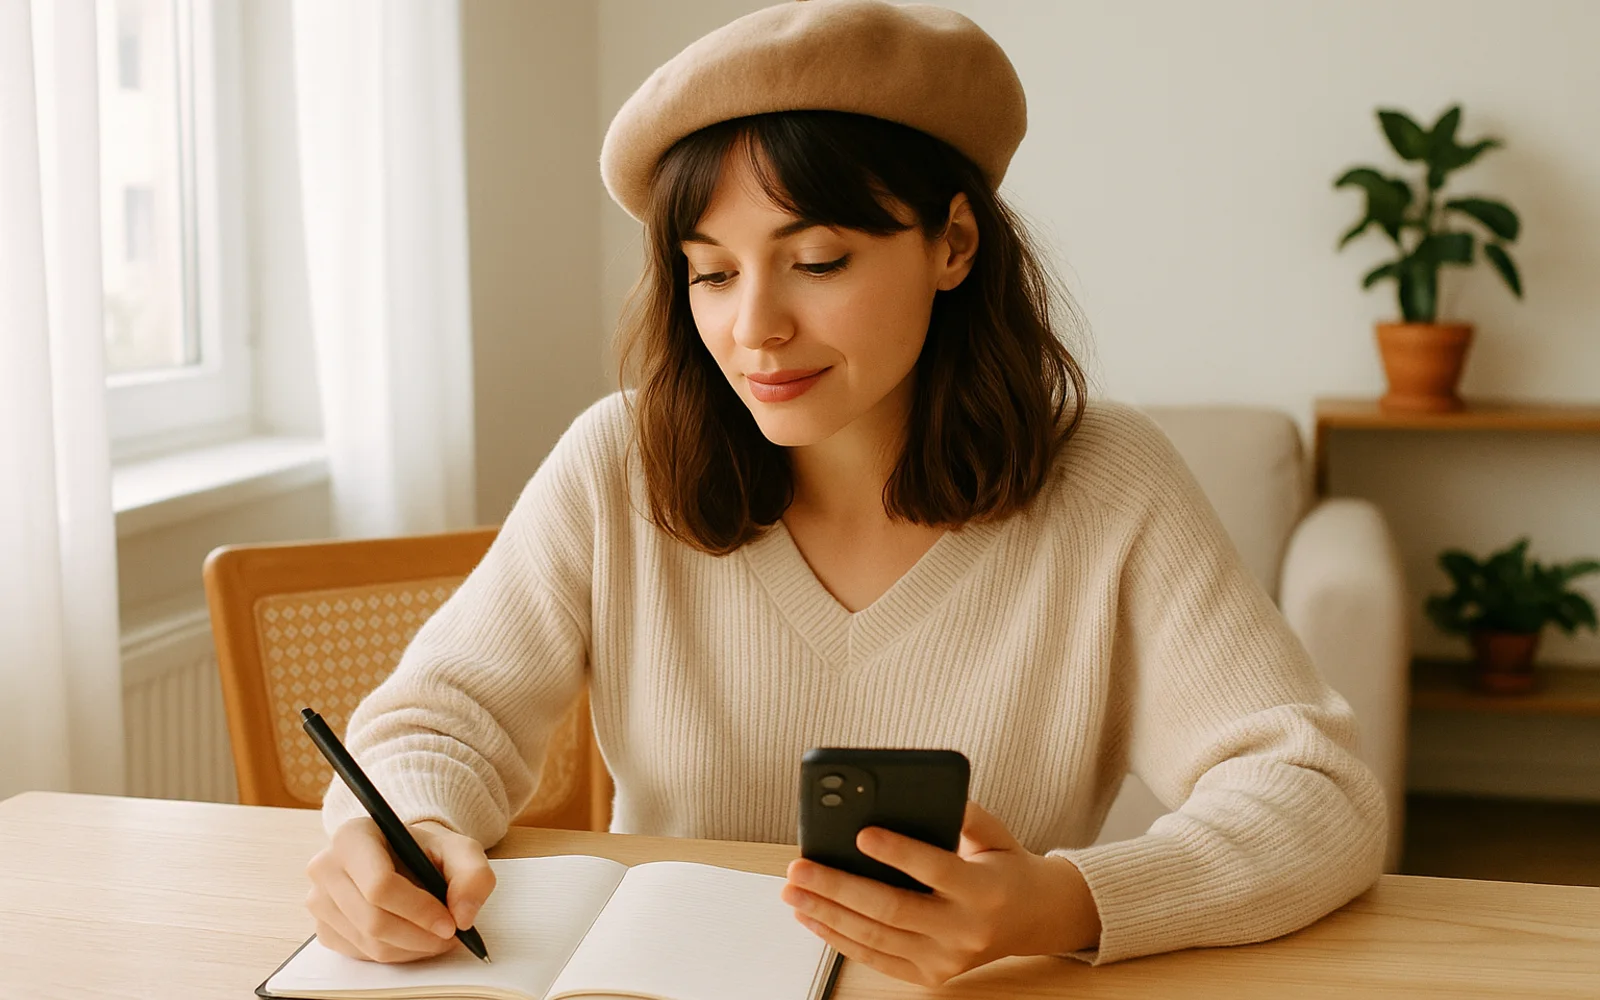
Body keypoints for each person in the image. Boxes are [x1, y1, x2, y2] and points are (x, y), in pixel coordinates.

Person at [303, 0, 1385, 986]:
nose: (753, 327)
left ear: (952, 243)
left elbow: (1317, 794)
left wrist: (1061, 899)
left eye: (816, 259)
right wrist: (398, 822)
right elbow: (442, 717)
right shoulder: (618, 461)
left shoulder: (1106, 481)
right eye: (712, 272)